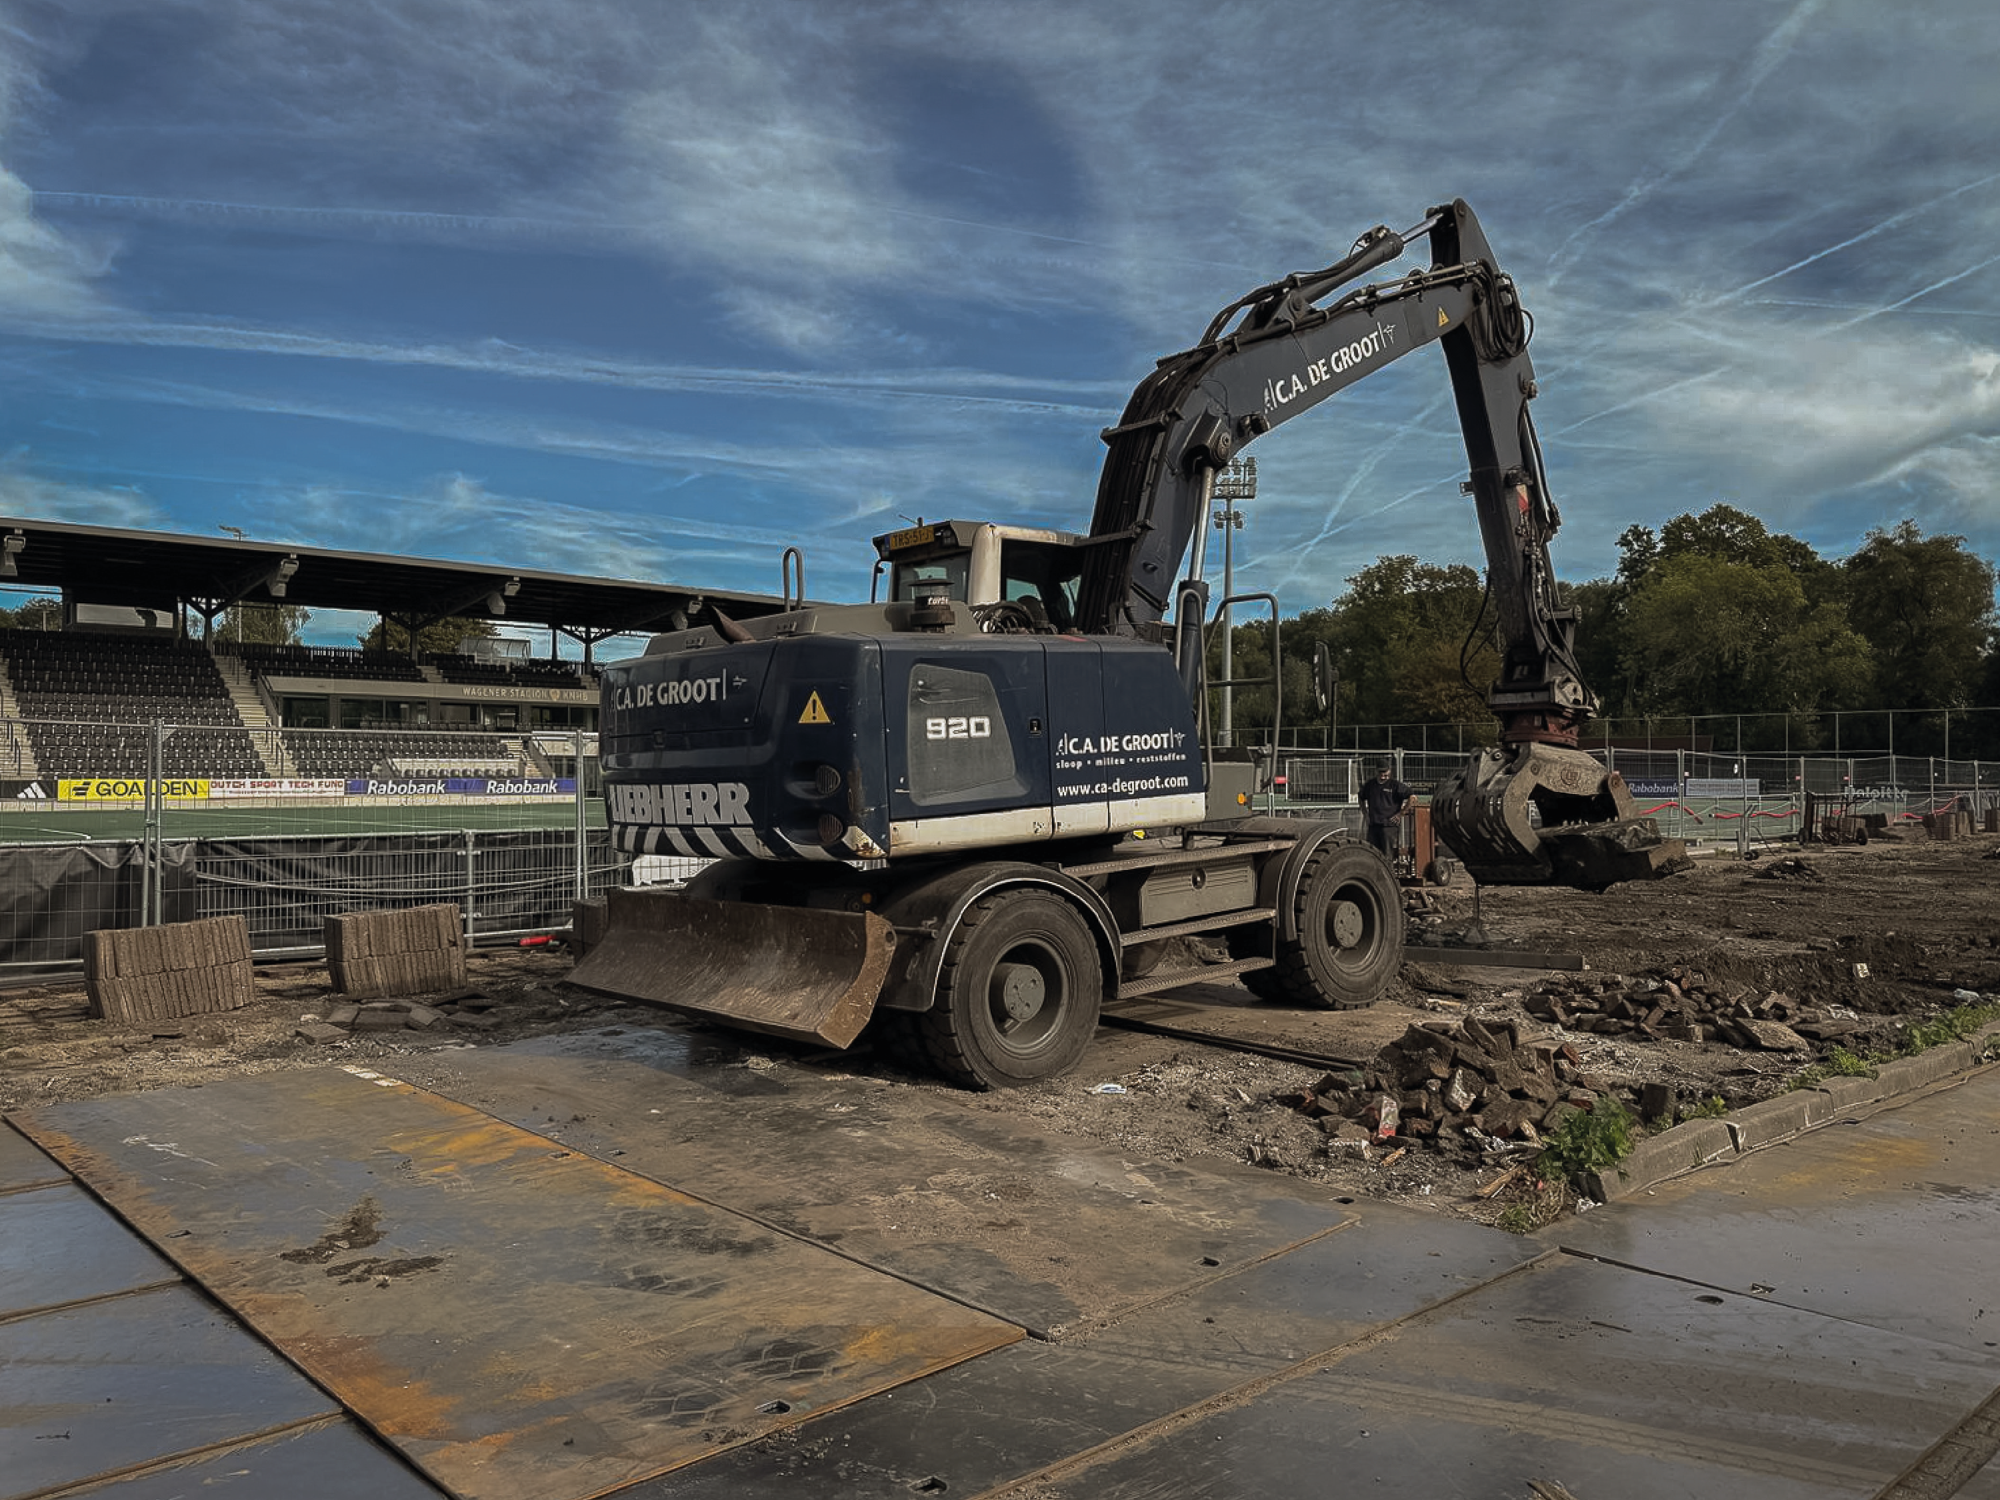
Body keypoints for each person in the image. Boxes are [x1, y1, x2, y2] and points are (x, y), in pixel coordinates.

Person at [1360, 761, 1412, 858]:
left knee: (1387, 855)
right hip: (1373, 825)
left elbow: (1412, 797)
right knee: (1371, 853)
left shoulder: (1395, 785)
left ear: (1389, 771)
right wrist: (1365, 814)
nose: (1383, 776)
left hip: (1389, 826)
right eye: (1380, 773)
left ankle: (1388, 867)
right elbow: (1361, 797)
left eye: (1385, 773)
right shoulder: (1370, 785)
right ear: (1376, 771)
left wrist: (1401, 813)